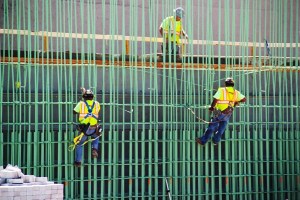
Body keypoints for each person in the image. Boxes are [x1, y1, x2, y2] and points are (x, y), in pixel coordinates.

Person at [195, 78, 246, 145]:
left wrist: (212, 107)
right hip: (228, 112)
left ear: (225, 84)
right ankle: (216, 140)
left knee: (212, 127)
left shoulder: (222, 90)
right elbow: (244, 99)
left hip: (220, 112)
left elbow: (215, 99)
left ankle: (203, 140)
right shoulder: (236, 92)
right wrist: (236, 101)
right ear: (233, 85)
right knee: (222, 127)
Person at [73, 88, 102, 167]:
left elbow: (74, 112)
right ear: (93, 97)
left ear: (84, 97)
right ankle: (95, 149)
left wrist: (81, 100)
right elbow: (95, 110)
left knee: (79, 144)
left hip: (84, 129)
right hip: (94, 128)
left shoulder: (81, 104)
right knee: (96, 138)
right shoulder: (97, 104)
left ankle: (78, 162)